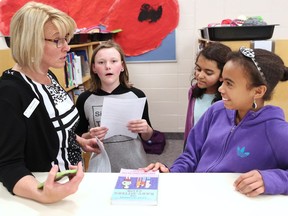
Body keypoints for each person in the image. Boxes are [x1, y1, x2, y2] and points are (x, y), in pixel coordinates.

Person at [144, 47, 288, 197]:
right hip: (199, 196)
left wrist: (271, 179)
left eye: (229, 83)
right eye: (222, 81)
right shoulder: (216, 111)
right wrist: (172, 173)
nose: (220, 89)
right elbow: (191, 156)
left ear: (258, 91)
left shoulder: (276, 131)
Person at [0, 2, 100, 204]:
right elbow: (9, 166)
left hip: (71, 183)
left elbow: (47, 127)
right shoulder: (10, 92)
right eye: (57, 41)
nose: (67, 47)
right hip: (47, 191)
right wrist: (42, 195)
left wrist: (78, 140)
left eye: (66, 39)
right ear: (31, 42)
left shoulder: (49, 76)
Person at [75, 40, 154, 172]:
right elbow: (79, 138)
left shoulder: (137, 95)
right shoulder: (84, 99)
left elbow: (148, 136)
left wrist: (146, 129)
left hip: (135, 164)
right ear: (94, 68)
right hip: (101, 167)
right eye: (101, 62)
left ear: (122, 66)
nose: (108, 66)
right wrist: (90, 135)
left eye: (113, 61)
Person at [184, 42, 231, 142]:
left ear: (222, 75)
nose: (200, 75)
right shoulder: (193, 91)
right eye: (198, 69)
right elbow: (191, 123)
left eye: (208, 73)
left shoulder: (229, 100)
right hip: (194, 145)